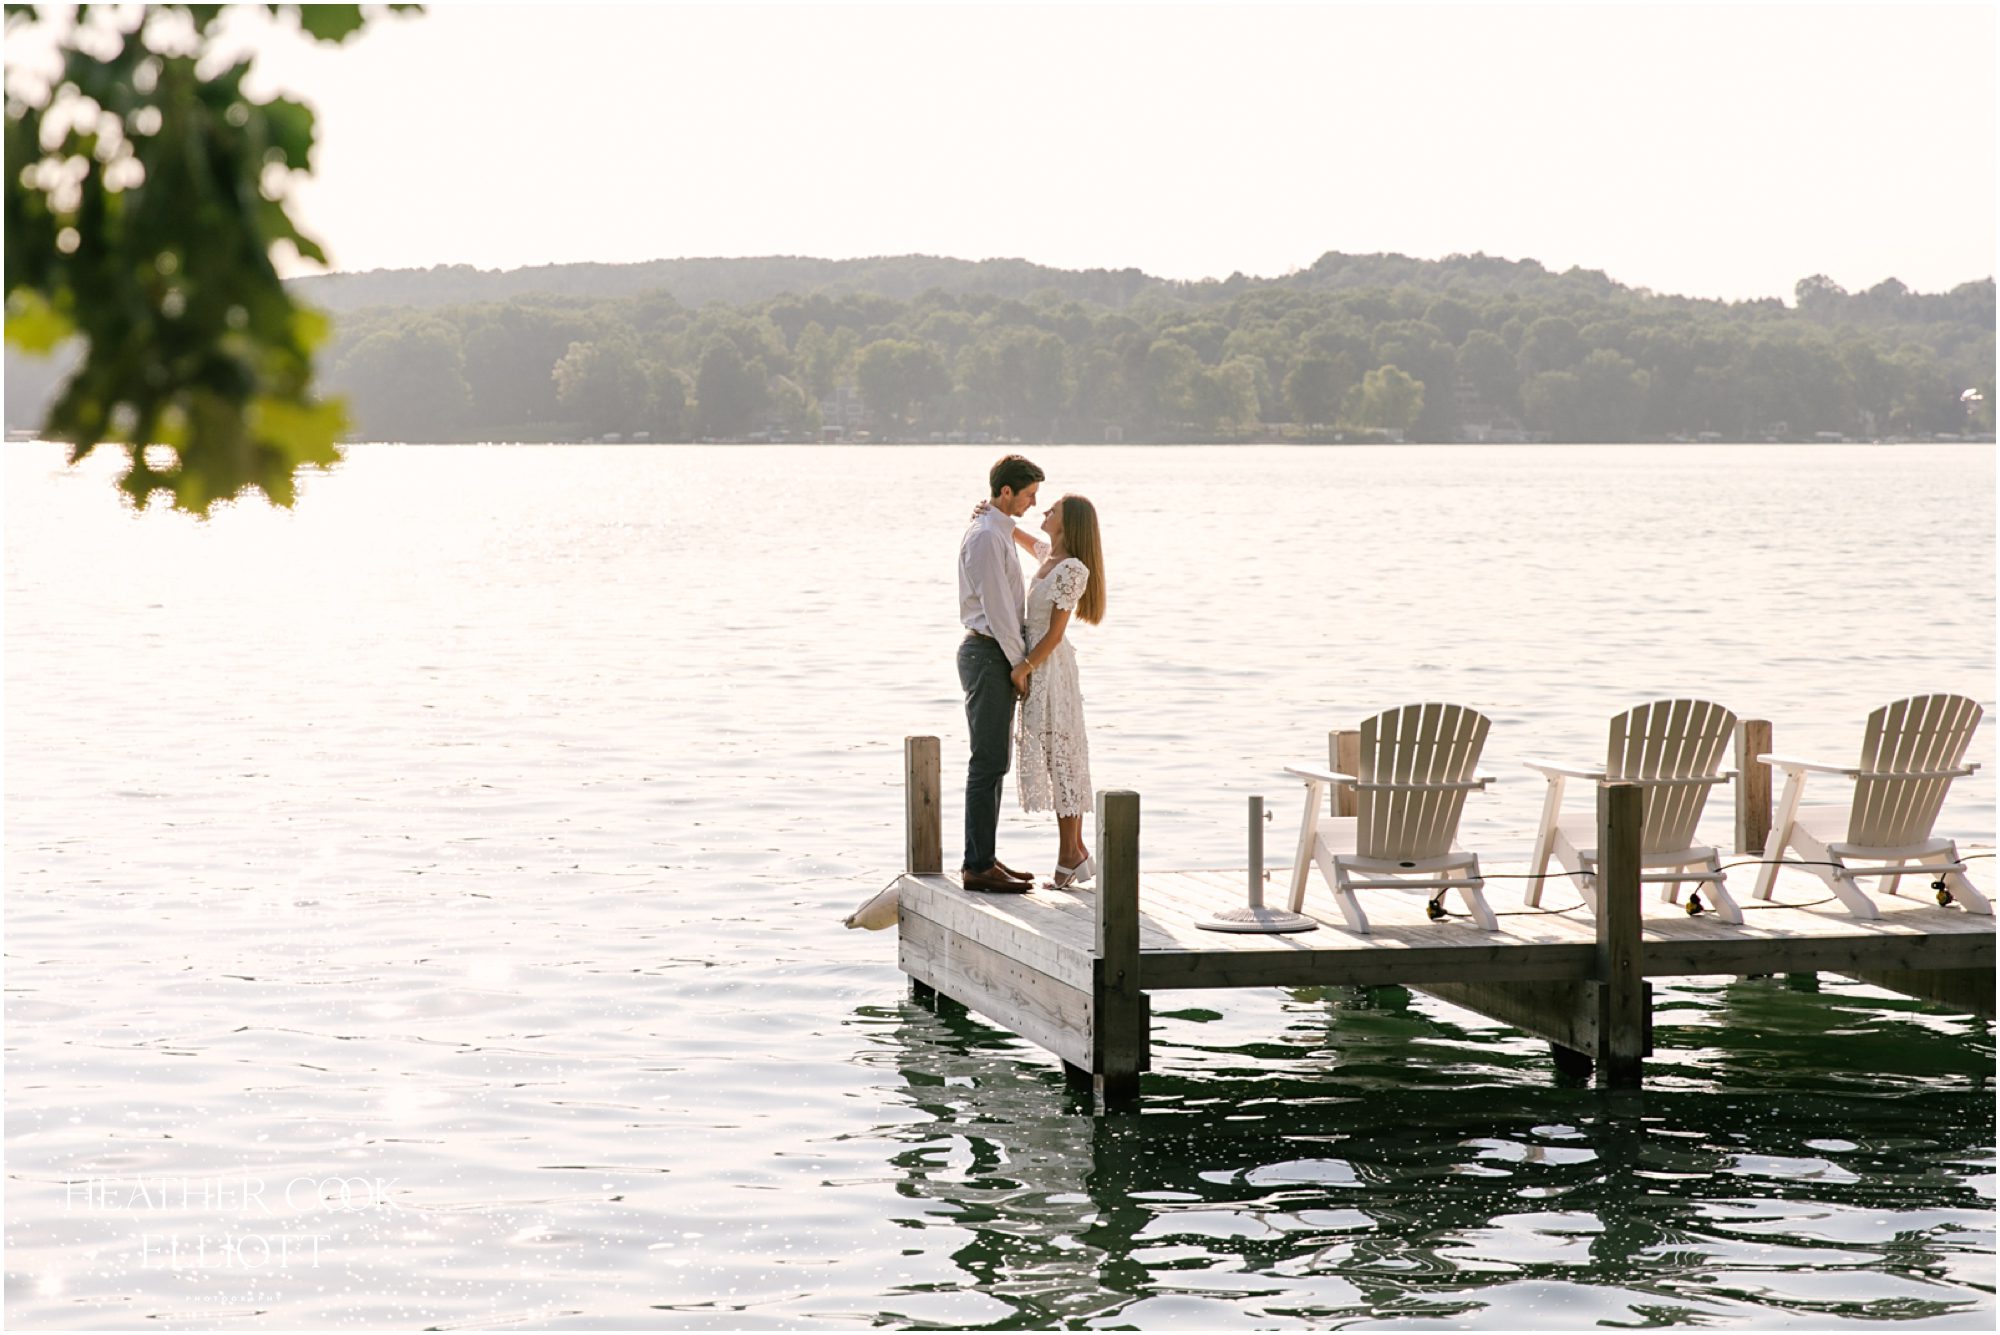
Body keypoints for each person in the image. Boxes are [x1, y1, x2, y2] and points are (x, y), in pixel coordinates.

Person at [1006, 495, 1106, 888]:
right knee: (1054, 755)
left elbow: (1055, 633)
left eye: (1053, 511)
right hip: (1039, 663)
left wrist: (1024, 668)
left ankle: (1070, 855)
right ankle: (1075, 852)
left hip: (1050, 666)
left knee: (1062, 754)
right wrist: (996, 517)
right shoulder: (1050, 555)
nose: (1044, 513)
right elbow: (1023, 538)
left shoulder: (1072, 569)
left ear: (1069, 524)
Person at [956, 454, 1045, 892]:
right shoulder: (988, 538)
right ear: (1005, 491)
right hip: (989, 653)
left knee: (996, 761)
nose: (1033, 503)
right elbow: (999, 612)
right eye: (1028, 495)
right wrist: (1019, 667)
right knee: (987, 761)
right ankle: (976, 865)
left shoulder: (999, 530)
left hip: (995, 654)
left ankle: (985, 857)